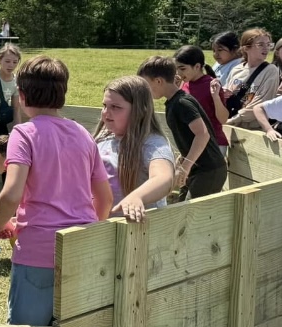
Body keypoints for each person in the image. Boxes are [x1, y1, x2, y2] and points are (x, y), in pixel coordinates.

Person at [0, 56, 111, 326]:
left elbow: (11, 194)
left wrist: (1, 224)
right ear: (63, 94)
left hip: (38, 250)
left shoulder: (23, 134)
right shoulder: (83, 134)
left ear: (21, 95)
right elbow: (104, 198)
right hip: (81, 248)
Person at [139, 56, 228, 200]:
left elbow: (202, 135)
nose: (145, 90)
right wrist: (184, 158)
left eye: (146, 85)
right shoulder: (173, 102)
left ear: (159, 81)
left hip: (209, 170)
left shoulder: (182, 103)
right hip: (197, 168)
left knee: (192, 216)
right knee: (182, 209)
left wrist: (185, 166)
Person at [94, 75, 176, 221]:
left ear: (140, 111)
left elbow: (164, 178)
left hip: (137, 232)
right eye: (104, 106)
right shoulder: (102, 139)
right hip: (101, 229)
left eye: (116, 107)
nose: (106, 113)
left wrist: (136, 197)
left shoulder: (152, 144)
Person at [173, 45, 229, 154]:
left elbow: (223, 119)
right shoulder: (184, 85)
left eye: (183, 68)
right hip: (192, 144)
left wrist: (216, 97)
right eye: (177, 69)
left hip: (213, 145)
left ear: (197, 66)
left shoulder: (212, 85)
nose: (178, 73)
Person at [223, 27, 281, 128]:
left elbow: (262, 101)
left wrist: (236, 118)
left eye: (268, 45)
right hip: (230, 123)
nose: (266, 48)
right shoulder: (236, 69)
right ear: (246, 48)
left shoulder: (270, 70)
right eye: (260, 44)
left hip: (252, 127)